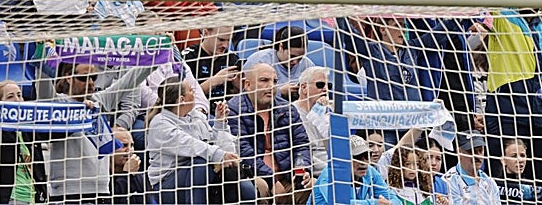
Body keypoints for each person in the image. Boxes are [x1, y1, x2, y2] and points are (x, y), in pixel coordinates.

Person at [145, 77, 252, 205]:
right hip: (167, 184)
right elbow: (191, 145)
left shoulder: (196, 116)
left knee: (246, 189)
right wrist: (220, 155)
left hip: (201, 176)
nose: (194, 92)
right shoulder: (160, 123)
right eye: (190, 90)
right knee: (200, 163)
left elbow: (219, 146)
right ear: (182, 100)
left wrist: (220, 122)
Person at [226, 64, 312, 200]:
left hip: (286, 176)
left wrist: (301, 169)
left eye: (275, 81)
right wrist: (271, 179)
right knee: (260, 188)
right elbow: (243, 151)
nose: (271, 86)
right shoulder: (233, 110)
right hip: (256, 176)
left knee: (313, 185)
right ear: (248, 85)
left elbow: (301, 143)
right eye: (264, 80)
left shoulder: (287, 108)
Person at [311, 135, 398, 205]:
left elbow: (396, 200)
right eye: (357, 157)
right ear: (344, 159)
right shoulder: (330, 174)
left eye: (366, 156)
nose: (363, 162)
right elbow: (339, 203)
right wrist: (374, 203)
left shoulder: (370, 172)